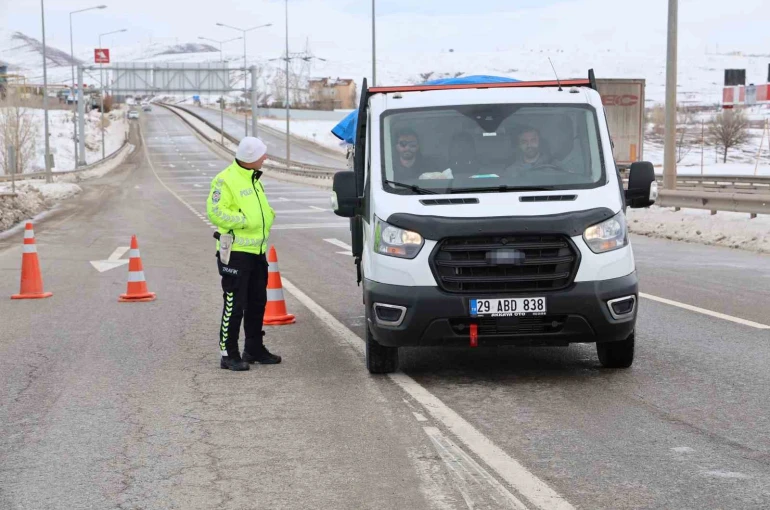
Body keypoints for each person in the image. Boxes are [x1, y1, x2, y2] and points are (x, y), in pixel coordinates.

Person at [207, 137, 282, 372]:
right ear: (251, 158)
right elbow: (216, 212)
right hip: (236, 252)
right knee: (234, 303)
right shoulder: (225, 179)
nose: (265, 158)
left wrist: (268, 215)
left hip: (256, 251)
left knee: (257, 302)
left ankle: (254, 348)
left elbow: (259, 209)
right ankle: (228, 354)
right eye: (262, 155)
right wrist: (245, 221)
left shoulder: (253, 178)